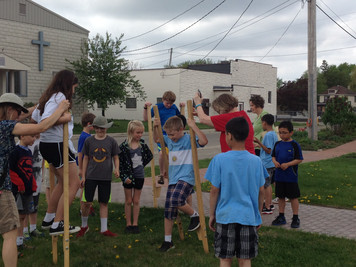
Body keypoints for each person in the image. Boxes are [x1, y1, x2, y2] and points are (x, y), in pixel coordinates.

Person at [0, 92, 69, 267]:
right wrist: (60, 108)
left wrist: (40, 106)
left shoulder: (6, 121)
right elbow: (40, 128)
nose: (19, 118)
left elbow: (25, 114)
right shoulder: (6, 126)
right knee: (9, 234)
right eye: (17, 113)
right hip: (2, 190)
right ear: (9, 110)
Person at [205, 117, 267, 267]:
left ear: (229, 135)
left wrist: (212, 214)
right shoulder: (256, 161)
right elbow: (261, 191)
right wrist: (257, 214)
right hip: (248, 216)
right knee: (245, 259)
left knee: (225, 258)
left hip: (225, 216)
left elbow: (214, 190)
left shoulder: (219, 159)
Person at [35, 69, 81, 235]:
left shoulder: (48, 97)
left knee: (63, 182)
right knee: (74, 183)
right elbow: (46, 121)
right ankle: (58, 223)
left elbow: (35, 117)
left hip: (48, 144)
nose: (74, 91)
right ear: (69, 84)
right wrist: (65, 118)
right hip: (57, 144)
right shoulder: (60, 97)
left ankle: (49, 217)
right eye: (74, 87)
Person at [153, 116, 208, 252]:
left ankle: (195, 215)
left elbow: (204, 141)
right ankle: (168, 241)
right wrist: (156, 127)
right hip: (173, 178)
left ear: (181, 129)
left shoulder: (189, 139)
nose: (170, 137)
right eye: (168, 134)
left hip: (186, 177)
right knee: (169, 210)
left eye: (172, 134)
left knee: (177, 199)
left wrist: (193, 126)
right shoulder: (169, 140)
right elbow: (157, 139)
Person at [76, 116, 120, 237]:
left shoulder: (111, 141)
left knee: (104, 202)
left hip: (105, 177)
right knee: (86, 202)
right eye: (98, 128)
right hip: (90, 176)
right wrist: (83, 175)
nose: (100, 131)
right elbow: (85, 158)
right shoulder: (89, 141)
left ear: (106, 128)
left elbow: (116, 157)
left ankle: (104, 229)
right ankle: (84, 226)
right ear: (94, 128)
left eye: (103, 128)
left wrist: (117, 168)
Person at [119, 120, 153, 234]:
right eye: (137, 132)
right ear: (131, 132)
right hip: (128, 178)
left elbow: (149, 156)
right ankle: (128, 224)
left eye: (141, 133)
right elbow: (120, 164)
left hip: (139, 176)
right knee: (128, 200)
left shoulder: (142, 145)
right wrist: (124, 177)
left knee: (136, 200)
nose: (139, 135)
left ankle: (135, 223)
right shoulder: (123, 147)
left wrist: (141, 165)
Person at [143, 90, 184, 184]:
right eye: (167, 103)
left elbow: (180, 118)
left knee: (171, 154)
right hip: (161, 135)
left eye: (171, 103)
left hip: (173, 136)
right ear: (163, 100)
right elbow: (146, 119)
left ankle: (170, 173)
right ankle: (161, 174)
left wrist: (182, 107)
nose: (169, 105)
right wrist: (145, 108)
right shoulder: (158, 107)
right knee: (162, 154)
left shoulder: (173, 107)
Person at [271, 121, 303, 229]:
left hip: (291, 176)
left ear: (291, 133)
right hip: (279, 176)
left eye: (284, 133)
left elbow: (299, 159)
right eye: (280, 132)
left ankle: (295, 217)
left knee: (293, 197)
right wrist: (275, 162)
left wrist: (288, 164)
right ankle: (281, 216)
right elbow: (273, 156)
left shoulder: (294, 145)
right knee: (280, 197)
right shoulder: (277, 144)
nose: (282, 135)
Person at [9, 134, 37, 254]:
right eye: (32, 136)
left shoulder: (29, 152)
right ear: (23, 136)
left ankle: (20, 242)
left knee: (24, 214)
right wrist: (19, 184)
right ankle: (15, 244)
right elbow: (10, 170)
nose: (34, 139)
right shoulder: (15, 151)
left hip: (28, 189)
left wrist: (33, 182)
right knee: (19, 216)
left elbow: (29, 170)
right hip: (19, 190)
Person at [253, 114, 278, 214]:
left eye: (261, 123)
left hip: (266, 163)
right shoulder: (273, 133)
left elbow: (268, 150)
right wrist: (259, 145)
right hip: (271, 162)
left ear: (264, 123)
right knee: (269, 184)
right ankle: (270, 203)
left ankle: (267, 206)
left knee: (265, 185)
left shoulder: (267, 135)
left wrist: (259, 142)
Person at [23, 134, 45, 240]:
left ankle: (33, 228)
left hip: (37, 178)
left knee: (34, 205)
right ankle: (24, 230)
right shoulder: (25, 144)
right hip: (27, 181)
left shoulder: (41, 142)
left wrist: (42, 173)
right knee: (25, 207)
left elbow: (43, 159)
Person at [76, 112, 96, 216]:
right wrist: (80, 169)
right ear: (89, 124)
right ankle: (82, 209)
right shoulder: (84, 137)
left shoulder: (88, 135)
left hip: (89, 165)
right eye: (94, 124)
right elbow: (80, 153)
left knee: (89, 187)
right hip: (84, 166)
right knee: (84, 188)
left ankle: (89, 206)